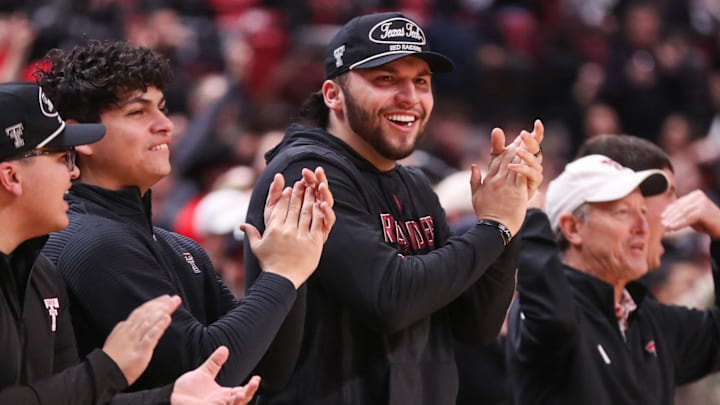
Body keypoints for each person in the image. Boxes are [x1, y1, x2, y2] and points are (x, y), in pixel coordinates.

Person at [244, 11, 544, 404]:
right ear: (333, 95)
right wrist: (493, 229)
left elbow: (476, 325)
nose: (410, 97)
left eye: (421, 81)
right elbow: (391, 299)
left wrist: (510, 215)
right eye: (386, 79)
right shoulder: (307, 173)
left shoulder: (415, 185)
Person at [37, 40, 336, 392]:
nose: (166, 125)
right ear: (82, 136)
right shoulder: (89, 242)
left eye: (162, 109)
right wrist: (283, 273)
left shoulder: (180, 248)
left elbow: (267, 373)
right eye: (138, 112)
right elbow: (205, 371)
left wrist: (295, 255)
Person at [0, 81, 260, 404]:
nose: (72, 173)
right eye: (59, 159)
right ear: (11, 176)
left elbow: (74, 399)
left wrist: (168, 400)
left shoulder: (40, 272)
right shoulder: (87, 245)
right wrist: (109, 368)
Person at [505, 152, 720, 404]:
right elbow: (554, 319)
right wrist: (529, 215)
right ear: (573, 228)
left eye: (642, 211)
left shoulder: (649, 319)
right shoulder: (536, 311)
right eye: (622, 212)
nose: (643, 226)